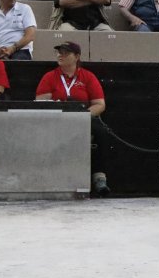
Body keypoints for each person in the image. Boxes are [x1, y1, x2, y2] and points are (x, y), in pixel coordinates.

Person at [35, 40, 110, 194]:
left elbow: (99, 104)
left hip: (82, 118)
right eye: (59, 52)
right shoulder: (50, 77)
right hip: (55, 120)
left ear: (76, 57)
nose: (60, 55)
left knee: (101, 132)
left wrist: (82, 116)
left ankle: (99, 177)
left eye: (65, 53)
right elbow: (40, 102)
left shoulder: (87, 77)